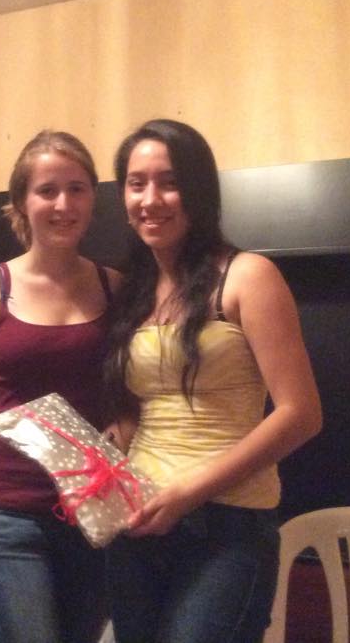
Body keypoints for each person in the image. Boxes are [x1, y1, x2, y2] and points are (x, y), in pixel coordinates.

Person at [103, 119, 323, 643]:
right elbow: (141, 407)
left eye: (169, 182)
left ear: (199, 191)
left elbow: (301, 415)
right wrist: (103, 459)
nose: (150, 199)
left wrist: (188, 492)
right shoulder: (132, 290)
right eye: (136, 184)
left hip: (228, 527)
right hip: (138, 520)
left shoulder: (248, 275)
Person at [0, 130, 119, 643]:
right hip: (6, 517)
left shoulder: (117, 288)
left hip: (92, 516)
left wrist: (123, 428)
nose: (63, 204)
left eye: (77, 189)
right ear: (21, 202)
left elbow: (135, 392)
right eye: (47, 190)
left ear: (92, 198)